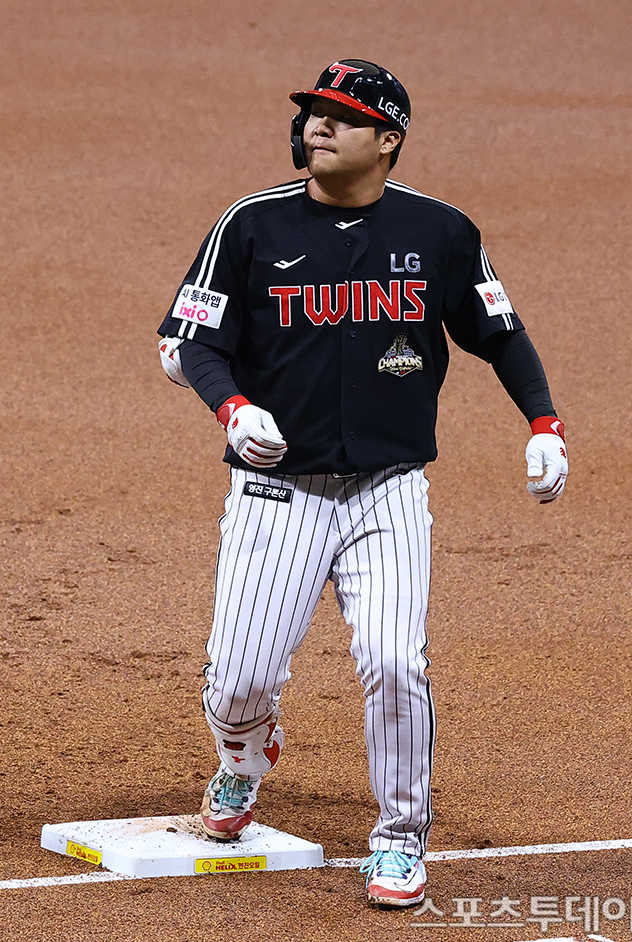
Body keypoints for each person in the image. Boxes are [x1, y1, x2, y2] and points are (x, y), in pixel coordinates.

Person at [157, 59, 568, 907]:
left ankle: (400, 839)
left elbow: (501, 333)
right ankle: (243, 755)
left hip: (390, 489)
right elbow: (189, 341)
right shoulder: (251, 225)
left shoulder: (441, 231)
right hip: (277, 491)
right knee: (240, 682)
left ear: (387, 140)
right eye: (313, 113)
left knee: (393, 662)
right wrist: (233, 408)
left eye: (341, 117)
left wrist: (544, 423)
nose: (318, 126)